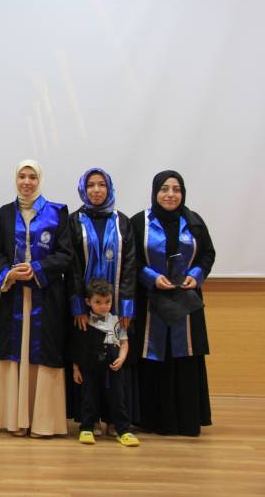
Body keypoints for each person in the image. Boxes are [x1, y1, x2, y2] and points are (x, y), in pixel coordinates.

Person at [0, 159, 72, 437]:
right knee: (14, 351)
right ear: (16, 179)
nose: (26, 182)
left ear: (40, 180)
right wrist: (8, 273)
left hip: (45, 295)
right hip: (14, 293)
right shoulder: (4, 214)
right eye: (22, 176)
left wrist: (36, 268)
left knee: (43, 351)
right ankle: (15, 419)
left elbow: (65, 254)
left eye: (32, 177)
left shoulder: (58, 212)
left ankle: (42, 421)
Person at [130, 170, 215, 436]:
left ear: (183, 193)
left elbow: (207, 254)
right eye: (164, 189)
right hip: (151, 301)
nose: (170, 194)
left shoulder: (194, 222)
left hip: (185, 302)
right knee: (154, 355)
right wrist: (152, 278)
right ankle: (152, 420)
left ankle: (186, 419)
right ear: (155, 192)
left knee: (184, 355)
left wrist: (195, 275)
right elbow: (131, 259)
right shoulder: (139, 222)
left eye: (176, 189)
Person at [66, 168, 137, 433]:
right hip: (86, 308)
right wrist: (78, 306)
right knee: (88, 365)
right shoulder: (74, 221)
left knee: (114, 363)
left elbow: (130, 265)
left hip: (115, 306)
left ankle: (114, 419)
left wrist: (126, 306)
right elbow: (72, 267)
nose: (96, 190)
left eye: (101, 185)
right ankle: (90, 419)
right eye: (91, 185)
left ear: (109, 188)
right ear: (83, 190)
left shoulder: (122, 222)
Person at [71, 279, 140, 446]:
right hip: (90, 365)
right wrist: (76, 368)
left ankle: (123, 430)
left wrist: (121, 358)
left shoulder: (116, 320)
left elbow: (124, 343)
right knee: (89, 397)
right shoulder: (84, 320)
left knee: (118, 398)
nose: (103, 306)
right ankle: (87, 428)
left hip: (113, 364)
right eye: (98, 302)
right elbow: (78, 347)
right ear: (88, 302)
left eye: (107, 302)